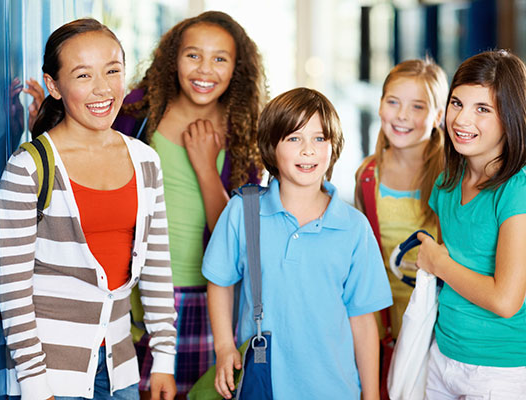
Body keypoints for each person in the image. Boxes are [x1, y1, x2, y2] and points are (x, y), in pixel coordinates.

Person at [0, 18, 177, 400]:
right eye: (82, 75)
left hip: (119, 372)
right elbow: (13, 286)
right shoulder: (30, 166)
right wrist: (33, 381)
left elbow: (157, 265)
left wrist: (163, 358)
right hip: (50, 377)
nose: (102, 88)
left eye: (112, 70)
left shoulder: (145, 160)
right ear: (54, 86)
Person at [113, 11, 268, 399]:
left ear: (237, 69)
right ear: (173, 60)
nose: (205, 69)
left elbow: (238, 238)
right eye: (193, 55)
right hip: (138, 293)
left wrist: (205, 166)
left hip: (207, 298)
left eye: (220, 58)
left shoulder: (244, 133)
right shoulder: (138, 113)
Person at [202, 87, 393, 399]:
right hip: (263, 384)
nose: (309, 150)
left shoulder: (354, 227)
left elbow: (362, 321)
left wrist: (370, 395)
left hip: (335, 389)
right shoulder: (243, 210)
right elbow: (220, 281)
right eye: (294, 138)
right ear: (270, 146)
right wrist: (224, 346)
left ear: (334, 146)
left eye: (320, 138)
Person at [416, 50, 526, 399]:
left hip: (499, 371)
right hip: (443, 353)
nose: (462, 119)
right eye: (457, 103)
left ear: (511, 118)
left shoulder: (517, 191)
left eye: (483, 109)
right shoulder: (448, 180)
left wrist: (438, 263)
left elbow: (506, 300)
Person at [355, 58, 448, 339]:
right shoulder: (368, 175)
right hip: (382, 322)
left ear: (437, 116)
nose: (402, 115)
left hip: (437, 324)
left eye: (417, 106)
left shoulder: (451, 178)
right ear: (380, 104)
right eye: (393, 102)